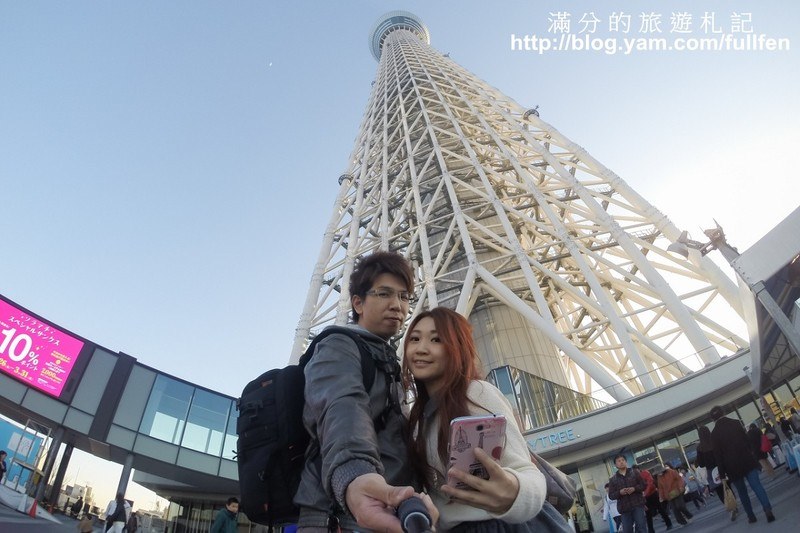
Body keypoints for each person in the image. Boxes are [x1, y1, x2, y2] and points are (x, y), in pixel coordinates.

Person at [294, 251, 436, 533]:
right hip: (342, 516)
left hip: (387, 508)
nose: (397, 305)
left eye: (404, 296)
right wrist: (354, 475)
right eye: (384, 294)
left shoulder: (385, 359)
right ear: (358, 302)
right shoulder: (338, 346)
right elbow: (343, 408)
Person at [403, 307, 569, 531]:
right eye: (414, 339)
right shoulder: (419, 422)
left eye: (436, 339)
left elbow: (527, 472)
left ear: (456, 348)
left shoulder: (477, 394)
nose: (421, 349)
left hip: (501, 525)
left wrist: (514, 492)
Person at [710, 405, 775, 524]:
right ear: (724, 412)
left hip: (732, 467)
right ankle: (767, 509)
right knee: (757, 486)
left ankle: (751, 516)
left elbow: (718, 456)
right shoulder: (735, 423)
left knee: (742, 492)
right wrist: (752, 456)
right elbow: (747, 441)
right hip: (747, 461)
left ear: (713, 420)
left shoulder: (714, 434)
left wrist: (722, 474)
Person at [695, 425, 737, 520]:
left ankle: (730, 508)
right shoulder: (715, 441)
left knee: (720, 492)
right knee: (728, 487)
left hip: (711, 471)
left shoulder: (700, 448)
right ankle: (734, 505)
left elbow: (701, 464)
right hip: (722, 468)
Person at [607, 455, 647, 533]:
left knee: (641, 527)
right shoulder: (613, 479)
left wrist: (634, 489)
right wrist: (620, 492)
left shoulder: (635, 472)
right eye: (619, 461)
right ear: (615, 465)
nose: (621, 462)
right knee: (627, 530)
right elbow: (611, 495)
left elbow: (643, 485)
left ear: (626, 462)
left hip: (637, 504)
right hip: (624, 508)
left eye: (623, 460)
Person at [634, 464, 672, 532]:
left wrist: (645, 493)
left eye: (636, 470)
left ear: (638, 469)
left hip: (653, 494)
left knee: (660, 509)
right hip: (645, 497)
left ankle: (669, 523)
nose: (635, 472)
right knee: (648, 514)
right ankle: (651, 530)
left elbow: (650, 483)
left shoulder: (645, 473)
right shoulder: (635, 478)